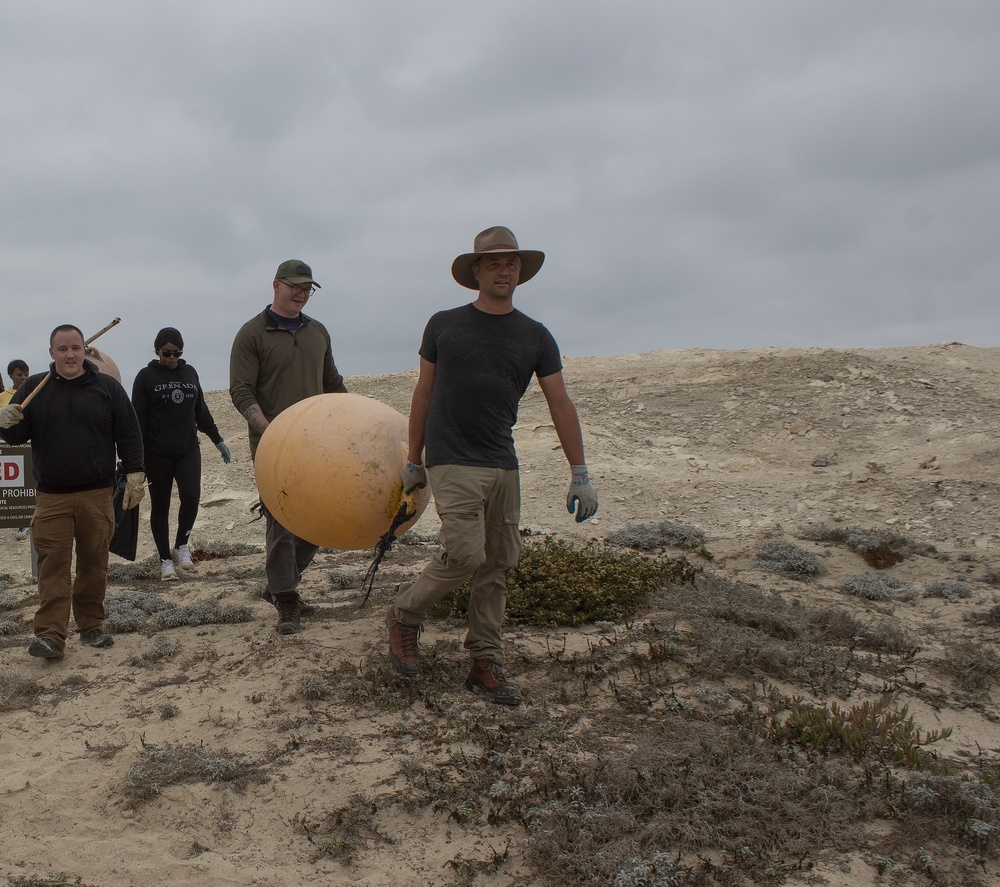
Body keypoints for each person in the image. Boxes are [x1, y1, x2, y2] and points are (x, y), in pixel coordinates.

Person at [386, 226, 599, 706]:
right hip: (451, 458)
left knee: (497, 564)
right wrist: (414, 460)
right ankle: (404, 614)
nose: (505, 270)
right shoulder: (443, 324)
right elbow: (424, 393)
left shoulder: (535, 335)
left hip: (502, 462)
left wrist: (579, 472)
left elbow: (560, 402)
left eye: (512, 264)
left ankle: (484, 661)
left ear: (519, 273)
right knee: (465, 555)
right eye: (495, 263)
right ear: (476, 271)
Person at [0, 325, 144, 660]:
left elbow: (129, 432)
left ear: (86, 351)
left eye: (75, 348)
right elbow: (17, 436)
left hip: (97, 494)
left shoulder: (107, 388)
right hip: (51, 496)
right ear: (51, 353)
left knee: (94, 563)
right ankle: (51, 636)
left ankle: (91, 626)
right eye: (62, 349)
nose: (69, 355)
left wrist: (136, 471)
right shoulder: (34, 387)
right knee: (53, 566)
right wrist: (4, 421)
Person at [230, 259, 348, 635]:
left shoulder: (318, 332)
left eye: (307, 288)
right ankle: (285, 600)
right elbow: (241, 391)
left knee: (319, 521)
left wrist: (354, 421)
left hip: (319, 444)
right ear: (276, 286)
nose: (301, 294)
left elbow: (332, 382)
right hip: (274, 448)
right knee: (283, 524)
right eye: (295, 286)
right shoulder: (252, 334)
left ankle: (279, 585)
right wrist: (271, 431)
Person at [132, 328, 231, 582]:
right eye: (167, 353)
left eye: (177, 353)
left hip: (187, 449)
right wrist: (137, 460)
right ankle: (165, 559)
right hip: (157, 454)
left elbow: (201, 410)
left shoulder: (190, 373)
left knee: (191, 497)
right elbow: (137, 422)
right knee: (161, 506)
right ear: (157, 351)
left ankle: (180, 546)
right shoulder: (145, 377)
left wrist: (217, 439)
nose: (172, 357)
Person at [4, 360, 31, 540]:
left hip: (28, 448)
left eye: (25, 375)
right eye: (19, 374)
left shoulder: (33, 392)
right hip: (7, 450)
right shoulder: (3, 396)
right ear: (11, 375)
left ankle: (24, 523)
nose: (22, 378)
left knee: (26, 485)